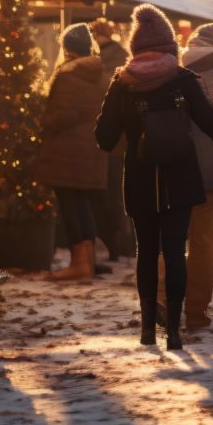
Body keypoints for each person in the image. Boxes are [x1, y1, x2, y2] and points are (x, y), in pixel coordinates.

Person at [95, 4, 213, 350]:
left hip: (139, 178)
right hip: (180, 178)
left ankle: (149, 327)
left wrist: (134, 134)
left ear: (135, 48)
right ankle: (176, 332)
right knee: (175, 249)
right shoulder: (184, 80)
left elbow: (103, 138)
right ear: (170, 46)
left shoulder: (121, 84)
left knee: (147, 252)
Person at [153, 22, 213, 330]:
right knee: (203, 243)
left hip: (179, 165)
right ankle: (196, 313)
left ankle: (162, 301)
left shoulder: (176, 71)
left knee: (171, 240)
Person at [36, 23, 109, 281]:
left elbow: (62, 115)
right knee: (82, 204)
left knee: (69, 206)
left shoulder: (68, 75)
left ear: (67, 47)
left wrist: (41, 120)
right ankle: (86, 261)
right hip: (92, 151)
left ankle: (79, 263)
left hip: (66, 152)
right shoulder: (101, 75)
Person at [88, 17, 133, 265]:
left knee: (112, 196)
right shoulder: (121, 57)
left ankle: (120, 245)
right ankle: (121, 246)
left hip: (111, 140)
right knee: (115, 196)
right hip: (117, 140)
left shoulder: (104, 63)